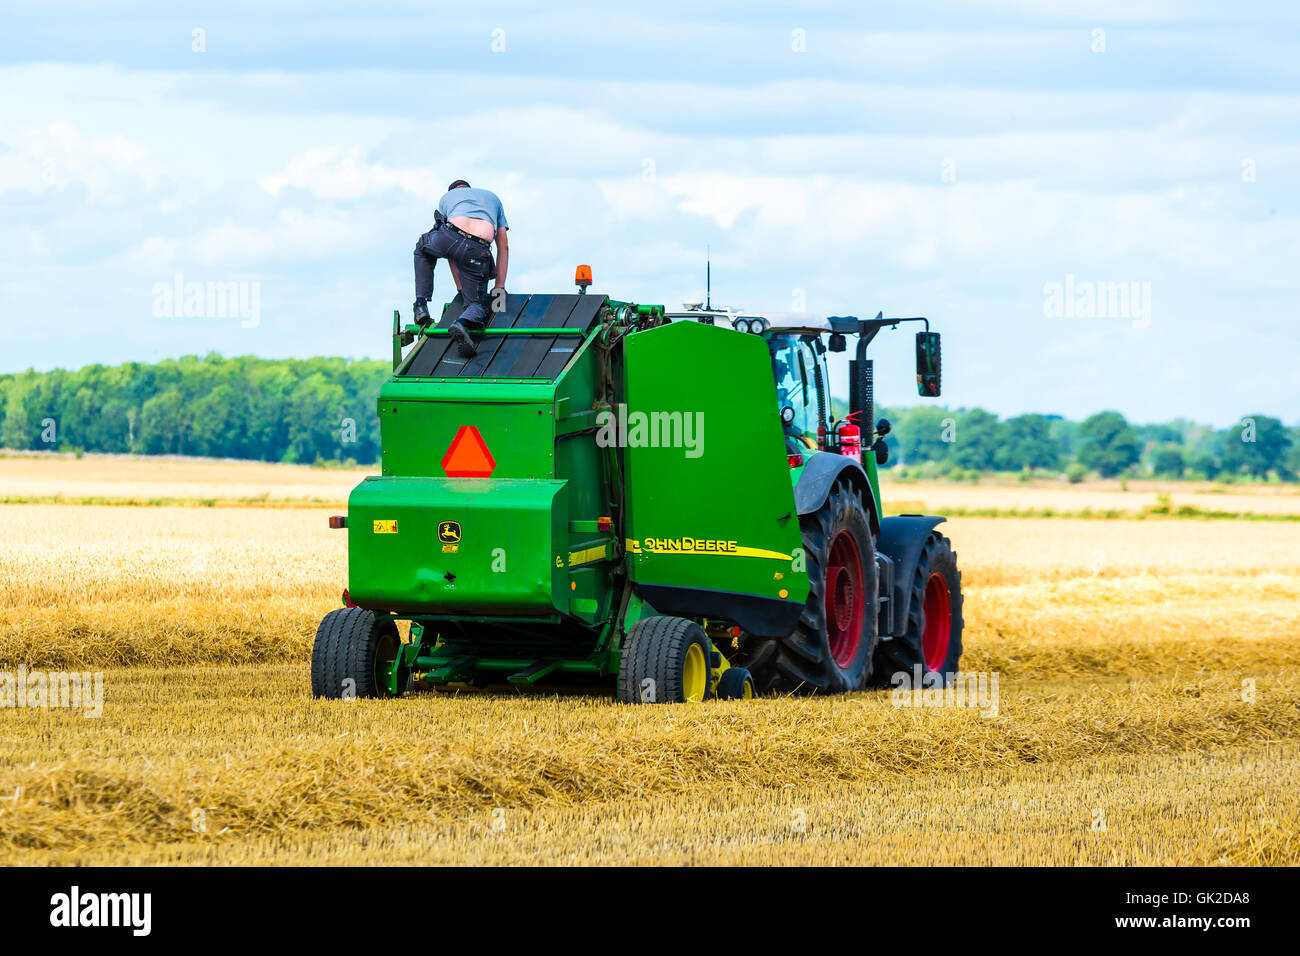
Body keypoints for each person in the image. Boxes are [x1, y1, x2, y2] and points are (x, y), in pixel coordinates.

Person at [412, 179, 509, 356]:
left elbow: (451, 253)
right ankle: (462, 324)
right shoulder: (493, 198)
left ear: (453, 191)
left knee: (422, 249)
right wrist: (499, 289)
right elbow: (503, 246)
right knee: (476, 305)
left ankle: (420, 304)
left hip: (449, 237)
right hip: (477, 247)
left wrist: (460, 288)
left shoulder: (447, 197)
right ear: (469, 190)